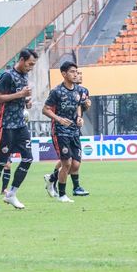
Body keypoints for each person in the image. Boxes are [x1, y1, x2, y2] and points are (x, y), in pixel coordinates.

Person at [0, 48, 38, 211]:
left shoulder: (24, 76)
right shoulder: (7, 76)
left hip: (20, 124)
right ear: (21, 60)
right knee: (1, 161)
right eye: (29, 64)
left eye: (33, 65)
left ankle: (11, 194)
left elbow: (20, 97)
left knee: (28, 158)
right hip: (6, 125)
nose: (31, 67)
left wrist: (26, 101)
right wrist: (19, 95)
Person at [44, 68, 91, 197]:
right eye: (74, 72)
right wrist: (59, 119)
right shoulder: (57, 91)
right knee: (66, 162)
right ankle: (66, 192)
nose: (77, 75)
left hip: (74, 130)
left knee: (75, 164)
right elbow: (46, 109)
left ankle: (52, 178)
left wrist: (80, 117)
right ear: (64, 74)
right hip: (60, 130)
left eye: (78, 72)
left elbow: (79, 107)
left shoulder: (82, 91)